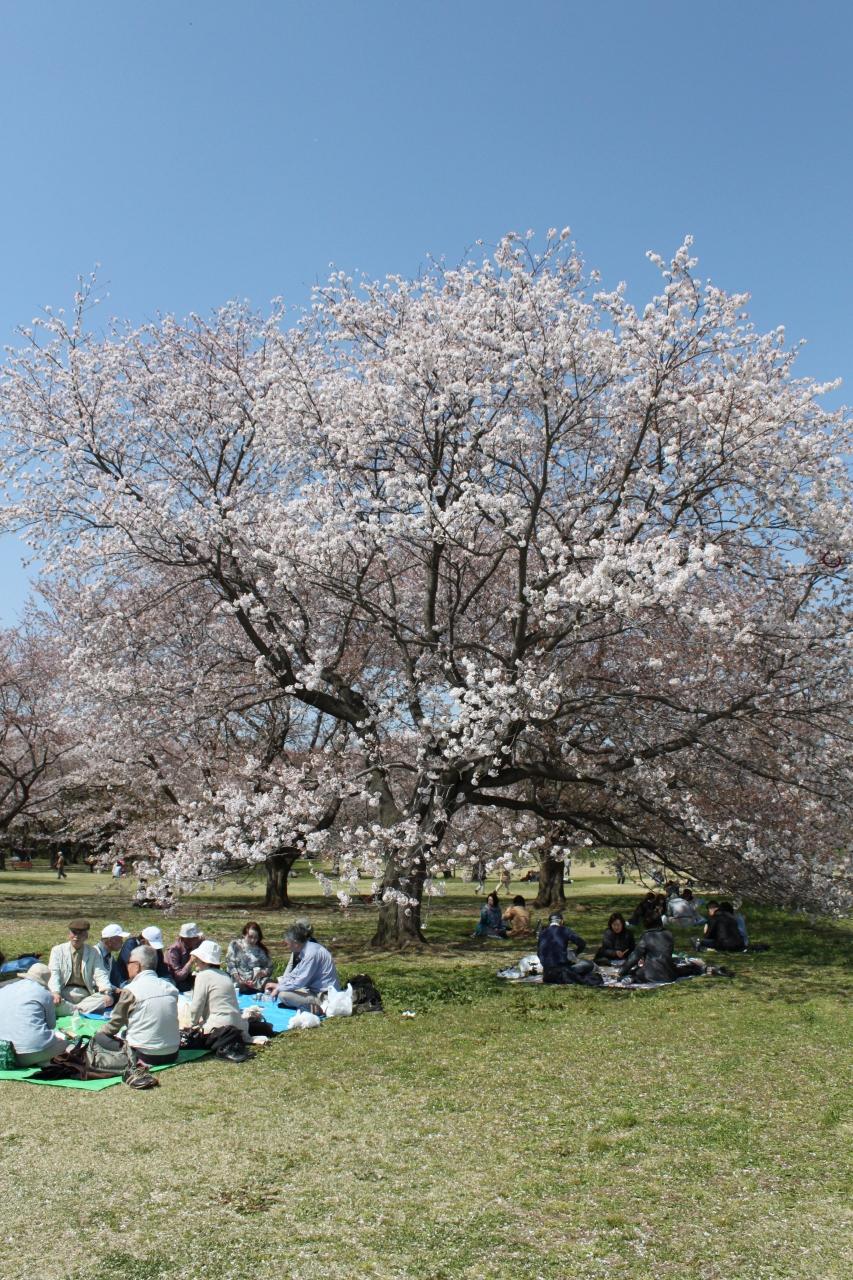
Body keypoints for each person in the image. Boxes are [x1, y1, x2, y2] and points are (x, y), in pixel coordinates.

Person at [92, 945, 181, 1066]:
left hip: (145, 1055)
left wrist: (100, 1032)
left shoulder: (131, 990)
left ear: (137, 966)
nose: (127, 966)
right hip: (172, 1053)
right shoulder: (171, 988)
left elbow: (114, 1025)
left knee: (100, 1037)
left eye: (129, 963)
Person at [0, 962, 70, 1067]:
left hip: (3, 1051)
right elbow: (51, 1025)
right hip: (27, 1053)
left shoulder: (5, 989)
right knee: (66, 1045)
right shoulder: (44, 994)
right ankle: (43, 1060)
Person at [264, 923, 339, 1012]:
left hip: (324, 996)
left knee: (283, 995)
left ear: (295, 943)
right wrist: (280, 984)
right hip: (315, 990)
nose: (287, 947)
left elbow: (299, 982)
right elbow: (295, 973)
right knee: (284, 990)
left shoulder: (311, 954)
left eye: (287, 944)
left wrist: (279, 988)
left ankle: (318, 1008)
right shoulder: (308, 949)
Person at [188, 940, 249, 1044]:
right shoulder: (225, 975)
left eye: (197, 959)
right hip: (237, 1026)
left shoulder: (203, 976)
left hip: (219, 1029)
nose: (195, 961)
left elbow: (196, 1006)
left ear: (204, 961)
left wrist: (193, 1025)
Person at [48, 919, 114, 1013]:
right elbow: (54, 973)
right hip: (63, 992)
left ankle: (72, 1010)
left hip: (85, 995)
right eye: (74, 933)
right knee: (50, 999)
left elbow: (100, 973)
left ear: (86, 936)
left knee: (107, 999)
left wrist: (106, 992)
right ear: (69, 934)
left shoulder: (93, 952)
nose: (76, 937)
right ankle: (79, 1010)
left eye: (80, 934)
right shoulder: (57, 950)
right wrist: (55, 992)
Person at [618, 927, 704, 984]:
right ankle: (697, 969)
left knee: (636, 972)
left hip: (651, 975)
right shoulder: (668, 934)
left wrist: (622, 971)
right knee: (679, 970)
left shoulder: (647, 937)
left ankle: (631, 978)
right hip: (669, 974)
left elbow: (634, 957)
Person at [537, 912, 600, 985]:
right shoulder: (564, 930)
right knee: (589, 965)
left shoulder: (542, 933)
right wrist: (576, 952)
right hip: (562, 973)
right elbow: (582, 943)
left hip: (547, 975)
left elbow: (539, 953)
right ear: (561, 921)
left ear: (550, 922)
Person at [225, 922, 273, 994]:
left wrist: (262, 973)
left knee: (270, 984)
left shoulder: (261, 951)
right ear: (244, 935)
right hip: (238, 980)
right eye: (250, 937)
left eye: (256, 937)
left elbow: (269, 967)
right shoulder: (235, 945)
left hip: (256, 982)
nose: (253, 940)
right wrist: (239, 979)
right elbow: (230, 963)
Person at [95, 923, 137, 992]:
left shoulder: (110, 958)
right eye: (120, 939)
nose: (122, 942)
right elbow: (94, 981)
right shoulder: (94, 954)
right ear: (110, 941)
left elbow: (118, 980)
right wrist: (115, 989)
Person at [165, 922, 204, 991]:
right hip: (172, 981)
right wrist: (190, 961)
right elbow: (178, 977)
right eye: (196, 937)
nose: (198, 939)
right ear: (187, 939)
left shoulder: (192, 943)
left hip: (185, 976)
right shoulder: (174, 951)